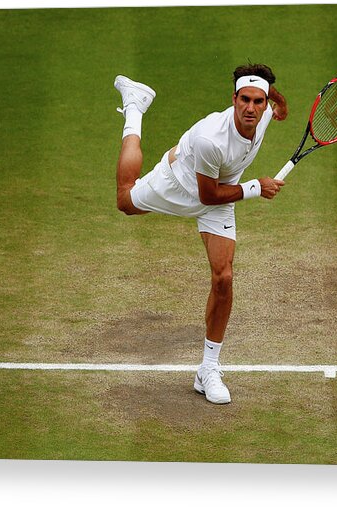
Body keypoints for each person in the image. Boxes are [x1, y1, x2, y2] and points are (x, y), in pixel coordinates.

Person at [114, 64, 288, 404]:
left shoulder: (266, 112)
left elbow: (279, 103)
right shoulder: (211, 139)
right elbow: (207, 196)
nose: (251, 109)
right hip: (179, 185)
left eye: (259, 101)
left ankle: (208, 369)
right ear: (233, 99)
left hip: (221, 194)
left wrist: (278, 102)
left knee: (223, 278)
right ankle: (135, 107)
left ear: (266, 103)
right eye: (244, 100)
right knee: (125, 200)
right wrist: (256, 187)